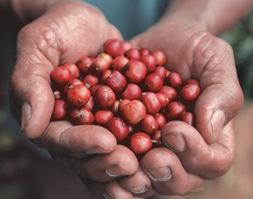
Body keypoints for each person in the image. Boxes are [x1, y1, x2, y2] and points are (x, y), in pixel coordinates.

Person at [3, 0, 252, 198]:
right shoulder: (96, 86)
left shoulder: (131, 90)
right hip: (42, 50)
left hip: (170, 21)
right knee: (58, 161)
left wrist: (193, 20)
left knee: (154, 175)